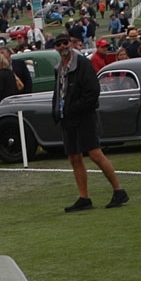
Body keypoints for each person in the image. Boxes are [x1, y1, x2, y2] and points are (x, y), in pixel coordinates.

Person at [51, 31, 128, 212]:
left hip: (84, 117)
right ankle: (84, 197)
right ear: (55, 47)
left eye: (65, 43)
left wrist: (74, 107)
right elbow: (59, 92)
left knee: (95, 154)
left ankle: (119, 190)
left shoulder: (83, 64)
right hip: (67, 118)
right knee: (74, 157)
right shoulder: (59, 68)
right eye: (59, 44)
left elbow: (93, 92)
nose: (62, 46)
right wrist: (57, 110)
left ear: (70, 44)